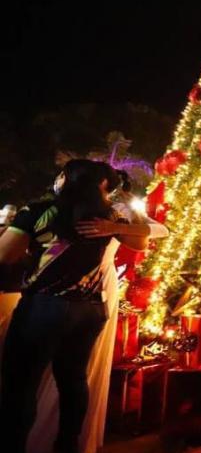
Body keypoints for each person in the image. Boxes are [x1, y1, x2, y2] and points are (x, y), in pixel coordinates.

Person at [0, 159, 148, 453]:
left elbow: (5, 254)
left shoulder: (40, 210)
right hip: (90, 310)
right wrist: (110, 226)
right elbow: (142, 239)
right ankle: (67, 445)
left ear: (65, 179)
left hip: (45, 307)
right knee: (73, 379)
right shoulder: (109, 215)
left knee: (21, 383)